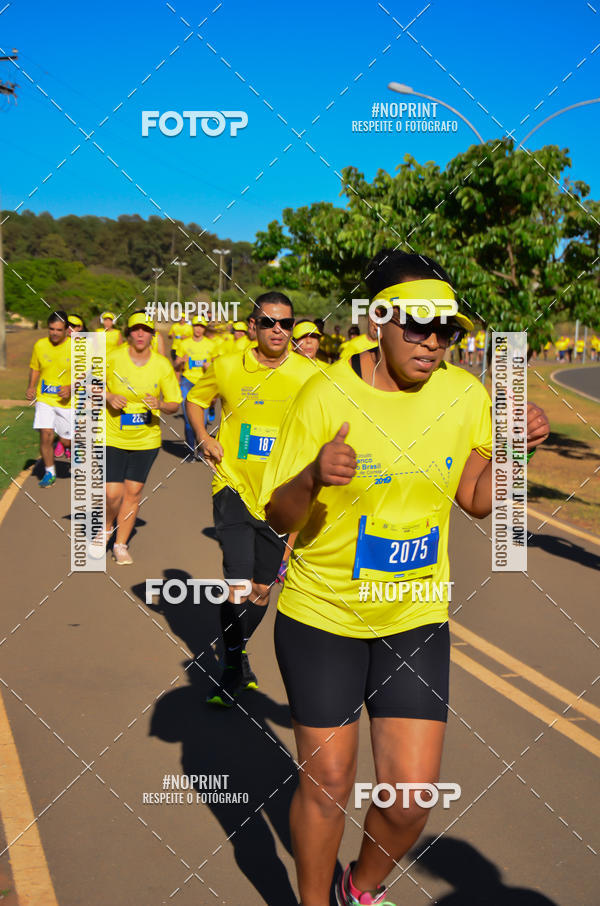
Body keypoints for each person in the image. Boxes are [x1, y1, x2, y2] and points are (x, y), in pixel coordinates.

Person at [259, 250, 550, 906]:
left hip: (413, 617)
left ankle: (358, 891)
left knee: (411, 798)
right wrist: (311, 476)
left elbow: (476, 498)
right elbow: (280, 516)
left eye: (446, 330)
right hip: (324, 615)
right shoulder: (324, 393)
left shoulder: (463, 394)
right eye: (417, 325)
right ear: (377, 322)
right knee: (329, 782)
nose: (433, 341)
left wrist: (510, 451)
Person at [186, 291, 315, 706]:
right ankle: (229, 669)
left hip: (282, 496)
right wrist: (204, 436)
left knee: (262, 589)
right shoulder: (226, 367)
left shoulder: (310, 374)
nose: (278, 329)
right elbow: (194, 399)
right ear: (252, 326)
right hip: (234, 486)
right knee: (239, 584)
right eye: (268, 322)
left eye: (286, 323)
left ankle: (237, 656)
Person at [95, 311, 181, 564]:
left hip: (146, 439)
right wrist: (108, 397)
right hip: (113, 434)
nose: (140, 333)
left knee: (133, 492)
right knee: (112, 493)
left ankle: (121, 544)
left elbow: (175, 404)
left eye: (145, 329)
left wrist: (160, 404)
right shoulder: (112, 358)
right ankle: (106, 527)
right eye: (136, 329)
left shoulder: (162, 365)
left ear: (153, 335)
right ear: (129, 334)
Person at [26, 311, 72, 488]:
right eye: (51, 329)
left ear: (66, 330)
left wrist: (70, 388)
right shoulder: (40, 345)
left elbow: (86, 375)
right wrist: (31, 386)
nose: (54, 333)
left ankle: (69, 446)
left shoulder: (77, 347)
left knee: (66, 440)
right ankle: (50, 472)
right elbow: (35, 367)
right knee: (45, 434)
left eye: (59, 330)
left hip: (68, 402)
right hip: (45, 398)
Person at [174, 316, 214, 455]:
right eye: (196, 325)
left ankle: (202, 449)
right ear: (193, 327)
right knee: (188, 419)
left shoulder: (211, 345)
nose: (198, 329)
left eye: (201, 326)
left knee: (202, 421)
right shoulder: (184, 344)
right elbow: (176, 366)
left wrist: (210, 366)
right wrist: (180, 361)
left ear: (204, 328)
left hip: (204, 386)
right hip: (187, 383)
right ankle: (191, 450)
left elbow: (217, 367)